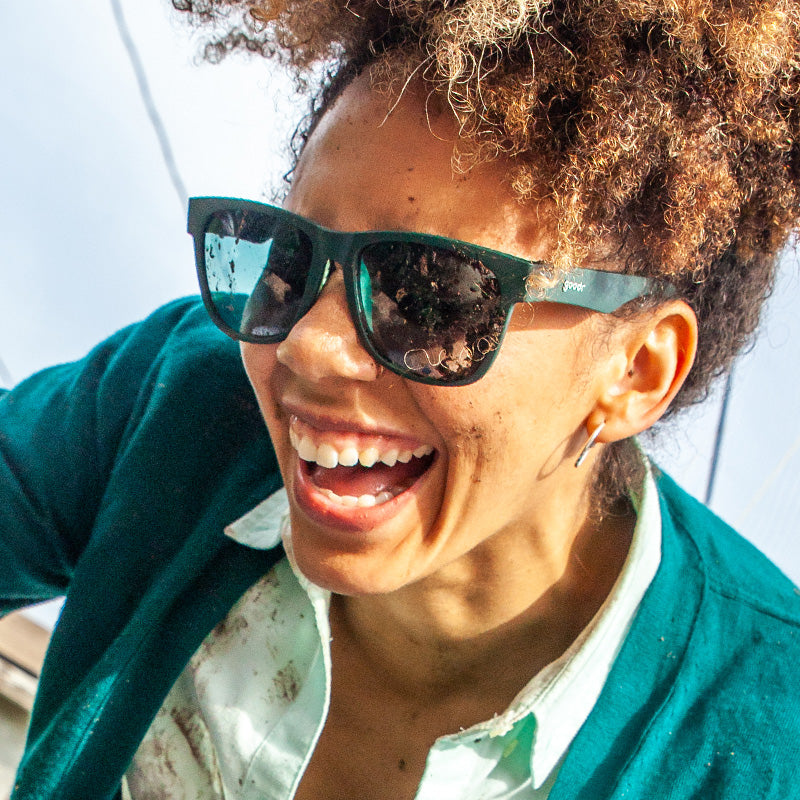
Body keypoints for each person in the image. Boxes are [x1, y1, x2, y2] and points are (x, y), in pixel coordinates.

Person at [3, 0, 800, 797]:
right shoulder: (180, 402)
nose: (307, 347)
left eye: (430, 297)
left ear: (635, 371)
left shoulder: (770, 740)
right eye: (290, 260)